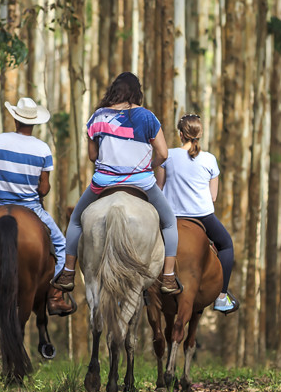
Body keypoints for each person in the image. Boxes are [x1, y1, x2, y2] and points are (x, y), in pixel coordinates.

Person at [52, 72, 181, 294]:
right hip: (141, 182)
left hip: (103, 181)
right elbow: (164, 153)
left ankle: (68, 271)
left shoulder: (98, 117)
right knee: (170, 222)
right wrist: (150, 165)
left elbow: (93, 156)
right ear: (136, 93)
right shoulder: (148, 117)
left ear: (114, 91)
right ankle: (168, 277)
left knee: (75, 220)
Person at [0, 97, 73, 316]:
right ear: (34, 122)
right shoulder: (43, 148)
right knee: (61, 245)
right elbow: (44, 187)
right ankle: (55, 295)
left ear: (15, 119)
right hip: (32, 208)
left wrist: (1, 187)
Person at [155, 114, 239, 314]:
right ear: (199, 134)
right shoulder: (210, 159)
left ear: (181, 134)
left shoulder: (168, 156)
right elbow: (213, 197)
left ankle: (136, 290)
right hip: (203, 216)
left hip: (171, 217)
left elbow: (158, 188)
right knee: (226, 245)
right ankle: (221, 297)